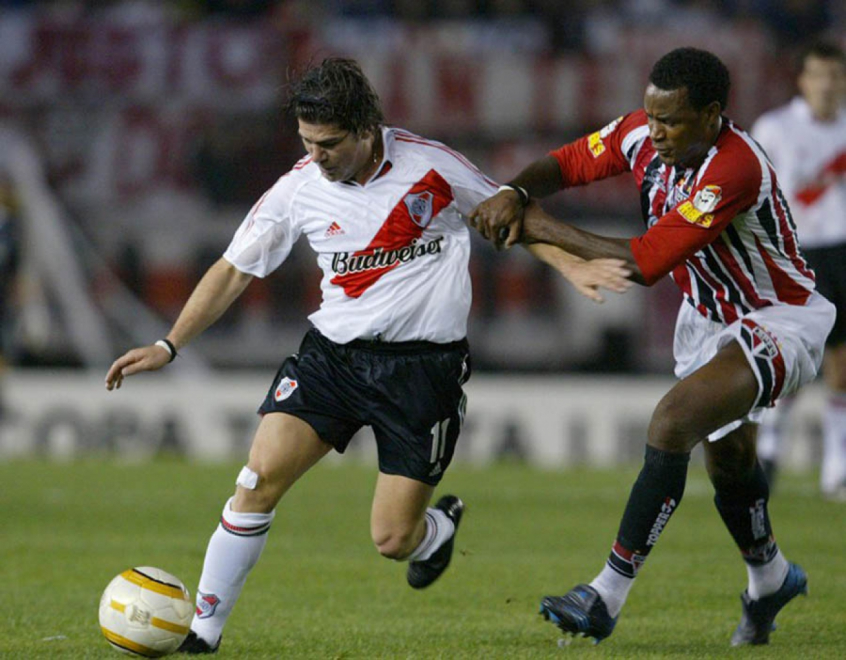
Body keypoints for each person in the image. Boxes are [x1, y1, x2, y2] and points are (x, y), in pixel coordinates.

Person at [104, 57, 629, 654]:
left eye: (327, 143)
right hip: (332, 361)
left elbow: (507, 214)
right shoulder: (298, 188)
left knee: (390, 538)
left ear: (366, 128)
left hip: (422, 371)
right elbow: (232, 271)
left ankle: (433, 532)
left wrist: (570, 262)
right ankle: (203, 632)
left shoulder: (432, 167)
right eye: (306, 141)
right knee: (254, 483)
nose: (316, 155)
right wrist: (169, 344)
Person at [470, 47, 836, 647]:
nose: (656, 132)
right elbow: (564, 165)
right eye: (651, 115)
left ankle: (604, 595)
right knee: (732, 462)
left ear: (713, 114)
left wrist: (536, 225)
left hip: (779, 317)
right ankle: (770, 578)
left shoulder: (734, 167)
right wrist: (515, 189)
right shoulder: (642, 132)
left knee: (671, 422)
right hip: (707, 318)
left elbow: (643, 264)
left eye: (672, 121)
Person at [751, 42, 846, 499]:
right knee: (792, 357)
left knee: (841, 365)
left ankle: (837, 466)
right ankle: (769, 447)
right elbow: (753, 188)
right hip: (796, 254)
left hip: (843, 250)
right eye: (820, 75)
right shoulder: (775, 128)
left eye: (836, 75)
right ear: (803, 81)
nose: (828, 84)